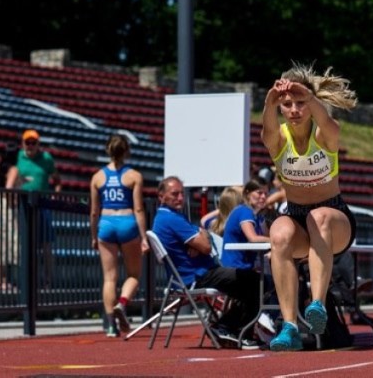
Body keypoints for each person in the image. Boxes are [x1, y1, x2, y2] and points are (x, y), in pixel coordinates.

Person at [261, 63, 357, 351]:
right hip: (297, 216)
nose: (293, 109)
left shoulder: (323, 134)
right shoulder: (277, 138)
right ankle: (289, 325)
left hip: (333, 216)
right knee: (278, 232)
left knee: (320, 217)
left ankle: (318, 305)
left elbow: (328, 123)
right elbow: (266, 127)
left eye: (300, 103)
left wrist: (310, 98)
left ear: (311, 103)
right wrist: (269, 100)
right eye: (287, 104)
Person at [152, 176, 262, 349]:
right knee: (258, 282)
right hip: (198, 276)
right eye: (175, 194)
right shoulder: (171, 219)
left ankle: (231, 328)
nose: (180, 198)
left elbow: (203, 235)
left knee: (250, 282)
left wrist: (201, 237)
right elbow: (205, 245)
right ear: (161, 196)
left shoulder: (166, 217)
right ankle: (229, 328)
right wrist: (202, 238)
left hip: (196, 274)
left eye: (182, 193)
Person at [89, 134, 149, 337]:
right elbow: (139, 209)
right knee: (133, 274)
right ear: (127, 151)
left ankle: (110, 326)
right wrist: (144, 237)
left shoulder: (97, 177)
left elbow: (94, 211)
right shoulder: (133, 176)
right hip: (127, 222)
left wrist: (94, 235)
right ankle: (122, 304)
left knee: (109, 278)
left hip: (106, 223)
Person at [16, 129, 61, 287]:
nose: (30, 145)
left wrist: (55, 195)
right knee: (25, 243)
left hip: (43, 205)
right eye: (27, 142)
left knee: (46, 243)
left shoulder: (46, 158)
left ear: (38, 144)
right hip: (22, 206)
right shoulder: (18, 157)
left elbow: (57, 179)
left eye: (33, 142)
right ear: (22, 144)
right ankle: (27, 280)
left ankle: (48, 279)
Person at [221, 178, 271, 270]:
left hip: (247, 266)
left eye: (266, 193)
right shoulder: (245, 211)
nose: (264, 197)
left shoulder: (259, 216)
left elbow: (266, 237)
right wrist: (276, 241)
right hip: (236, 268)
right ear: (247, 194)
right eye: (259, 193)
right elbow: (253, 238)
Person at [0, 142, 21, 291]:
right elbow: (9, 188)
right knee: (12, 244)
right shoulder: (14, 169)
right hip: (8, 209)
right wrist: (14, 202)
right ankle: (7, 282)